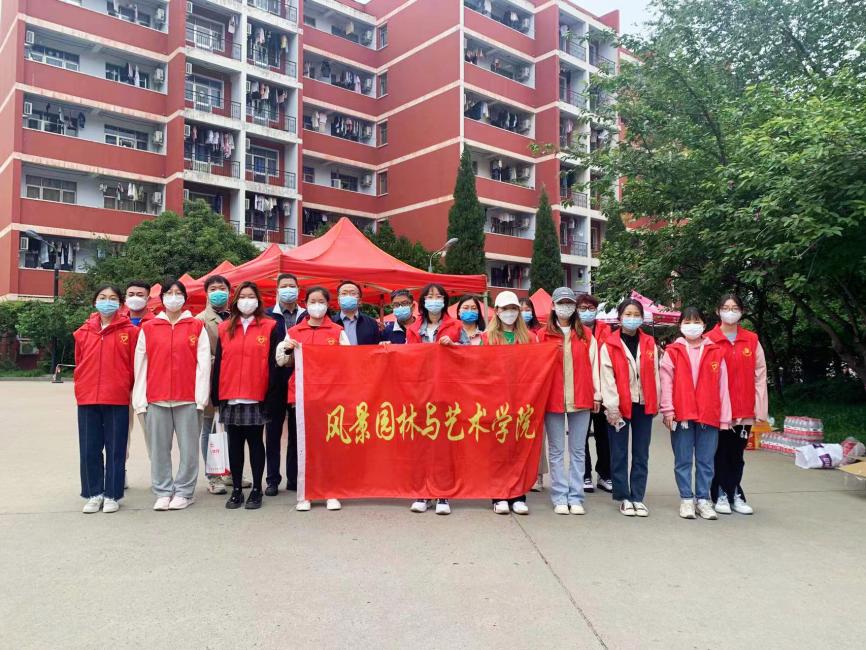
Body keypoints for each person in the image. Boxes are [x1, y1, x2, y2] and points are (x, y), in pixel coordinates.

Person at [133, 279, 211, 511]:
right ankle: (163, 490)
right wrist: (140, 399)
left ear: (185, 298)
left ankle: (185, 491)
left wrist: (201, 398)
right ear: (162, 298)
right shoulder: (149, 328)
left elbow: (204, 364)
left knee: (189, 449)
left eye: (178, 293)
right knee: (158, 449)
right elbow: (141, 365)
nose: (173, 297)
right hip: (156, 398)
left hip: (188, 398)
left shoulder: (196, 326)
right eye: (169, 293)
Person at [275, 286, 349, 511]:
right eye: (312, 301)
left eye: (321, 301)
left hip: (330, 397)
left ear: (328, 304)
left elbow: (349, 360)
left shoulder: (337, 331)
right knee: (303, 445)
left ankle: (331, 491)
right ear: (305, 304)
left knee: (329, 445)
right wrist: (287, 349)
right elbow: (281, 360)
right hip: (301, 395)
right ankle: (305, 493)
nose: (317, 305)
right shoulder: (295, 331)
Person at [660, 307, 731, 520]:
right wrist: (668, 410)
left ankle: (703, 499)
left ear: (704, 325)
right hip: (682, 414)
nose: (692, 326)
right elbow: (666, 382)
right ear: (680, 325)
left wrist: (725, 417)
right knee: (683, 460)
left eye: (697, 321)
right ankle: (686, 499)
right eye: (688, 322)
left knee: (706, 461)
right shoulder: (672, 351)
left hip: (709, 414)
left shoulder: (715, 351)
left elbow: (723, 386)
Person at [74, 285, 140, 514]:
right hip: (87, 397)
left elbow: (134, 364)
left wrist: (129, 389)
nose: (107, 301)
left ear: (120, 304)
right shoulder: (83, 332)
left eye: (112, 298)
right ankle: (93, 493)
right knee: (89, 449)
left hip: (117, 397)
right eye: (102, 297)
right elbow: (79, 362)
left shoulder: (130, 332)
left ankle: (113, 494)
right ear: (95, 302)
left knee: (116, 449)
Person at [211, 282, 276, 510]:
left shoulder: (270, 326)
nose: (247, 300)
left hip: (256, 394)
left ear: (258, 300)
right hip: (230, 394)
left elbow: (274, 364)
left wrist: (270, 396)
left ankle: (257, 489)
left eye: (251, 296)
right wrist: (216, 395)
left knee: (256, 443)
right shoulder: (225, 328)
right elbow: (219, 363)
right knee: (234, 445)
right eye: (242, 296)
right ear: (236, 301)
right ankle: (237, 489)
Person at [536, 287, 601, 515]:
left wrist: (597, 394)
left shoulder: (586, 335)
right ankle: (559, 496)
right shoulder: (542, 335)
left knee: (578, 451)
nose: (566, 307)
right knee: (556, 450)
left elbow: (595, 366)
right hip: (552, 399)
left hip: (581, 397)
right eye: (561, 303)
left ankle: (576, 496)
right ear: (553, 306)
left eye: (569, 303)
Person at [707, 294, 768, 515]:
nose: (730, 312)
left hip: (744, 409)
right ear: (718, 311)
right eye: (726, 308)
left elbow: (760, 374)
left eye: (735, 308)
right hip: (719, 410)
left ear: (742, 312)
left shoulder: (751, 340)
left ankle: (734, 492)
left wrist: (760, 408)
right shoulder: (709, 340)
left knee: (737, 454)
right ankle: (720, 493)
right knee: (719, 453)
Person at [599, 299, 660, 517]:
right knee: (619, 452)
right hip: (620, 406)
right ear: (620, 317)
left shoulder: (650, 343)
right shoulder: (610, 344)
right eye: (628, 314)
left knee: (641, 453)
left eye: (636, 315)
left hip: (643, 404)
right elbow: (607, 378)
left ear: (642, 318)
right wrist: (612, 407)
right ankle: (623, 496)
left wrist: (656, 401)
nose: (632, 318)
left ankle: (638, 497)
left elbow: (655, 373)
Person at [406, 283, 460, 514]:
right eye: (430, 296)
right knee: (421, 444)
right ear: (423, 302)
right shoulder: (413, 329)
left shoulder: (455, 326)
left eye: (438, 296)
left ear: (445, 301)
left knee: (443, 446)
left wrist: (454, 346)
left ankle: (442, 494)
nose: (434, 300)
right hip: (420, 392)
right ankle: (423, 492)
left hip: (447, 392)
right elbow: (406, 357)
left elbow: (469, 356)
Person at [197, 275, 248, 496]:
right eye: (213, 289)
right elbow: (199, 354)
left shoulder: (238, 316)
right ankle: (213, 475)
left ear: (229, 292)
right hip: (211, 379)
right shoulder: (200, 320)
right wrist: (223, 362)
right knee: (209, 428)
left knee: (232, 428)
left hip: (236, 380)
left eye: (222, 288)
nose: (218, 292)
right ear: (206, 293)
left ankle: (231, 471)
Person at [484, 291, 533, 515]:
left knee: (519, 449)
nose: (510, 313)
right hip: (496, 401)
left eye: (513, 309)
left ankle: (518, 495)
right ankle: (499, 495)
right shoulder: (487, 338)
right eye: (505, 309)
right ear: (497, 311)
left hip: (523, 400)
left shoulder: (530, 338)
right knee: (497, 450)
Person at [264, 273, 306, 496]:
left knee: (297, 432)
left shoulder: (306, 315)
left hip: (300, 381)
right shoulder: (267, 316)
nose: (288, 289)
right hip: (274, 382)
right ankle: (272, 479)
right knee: (273, 432)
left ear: (298, 290)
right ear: (277, 290)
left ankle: (294, 478)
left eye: (292, 286)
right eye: (284, 286)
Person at [577, 293, 613, 494]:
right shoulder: (574, 331)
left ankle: (604, 474)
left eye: (591, 308)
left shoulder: (606, 331)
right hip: (582, 389)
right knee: (580, 435)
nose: (587, 312)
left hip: (604, 390)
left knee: (604, 435)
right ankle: (585, 474)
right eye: (582, 308)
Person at [121, 279, 155, 482]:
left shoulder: (156, 322)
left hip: (147, 386)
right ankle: (120, 473)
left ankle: (158, 475)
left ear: (148, 298)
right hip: (121, 386)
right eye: (131, 294)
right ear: (125, 297)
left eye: (140, 295)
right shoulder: (118, 321)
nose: (135, 298)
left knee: (152, 434)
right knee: (120, 434)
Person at [519, 301, 548, 492]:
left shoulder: (538, 334)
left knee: (536, 434)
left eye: (527, 309)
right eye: (520, 309)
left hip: (533, 391)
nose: (523, 313)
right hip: (514, 392)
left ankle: (537, 475)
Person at [331, 280, 381, 345]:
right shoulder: (330, 322)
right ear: (338, 300)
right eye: (344, 293)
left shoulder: (372, 323)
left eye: (353, 293)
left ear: (360, 300)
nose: (348, 296)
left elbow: (376, 347)